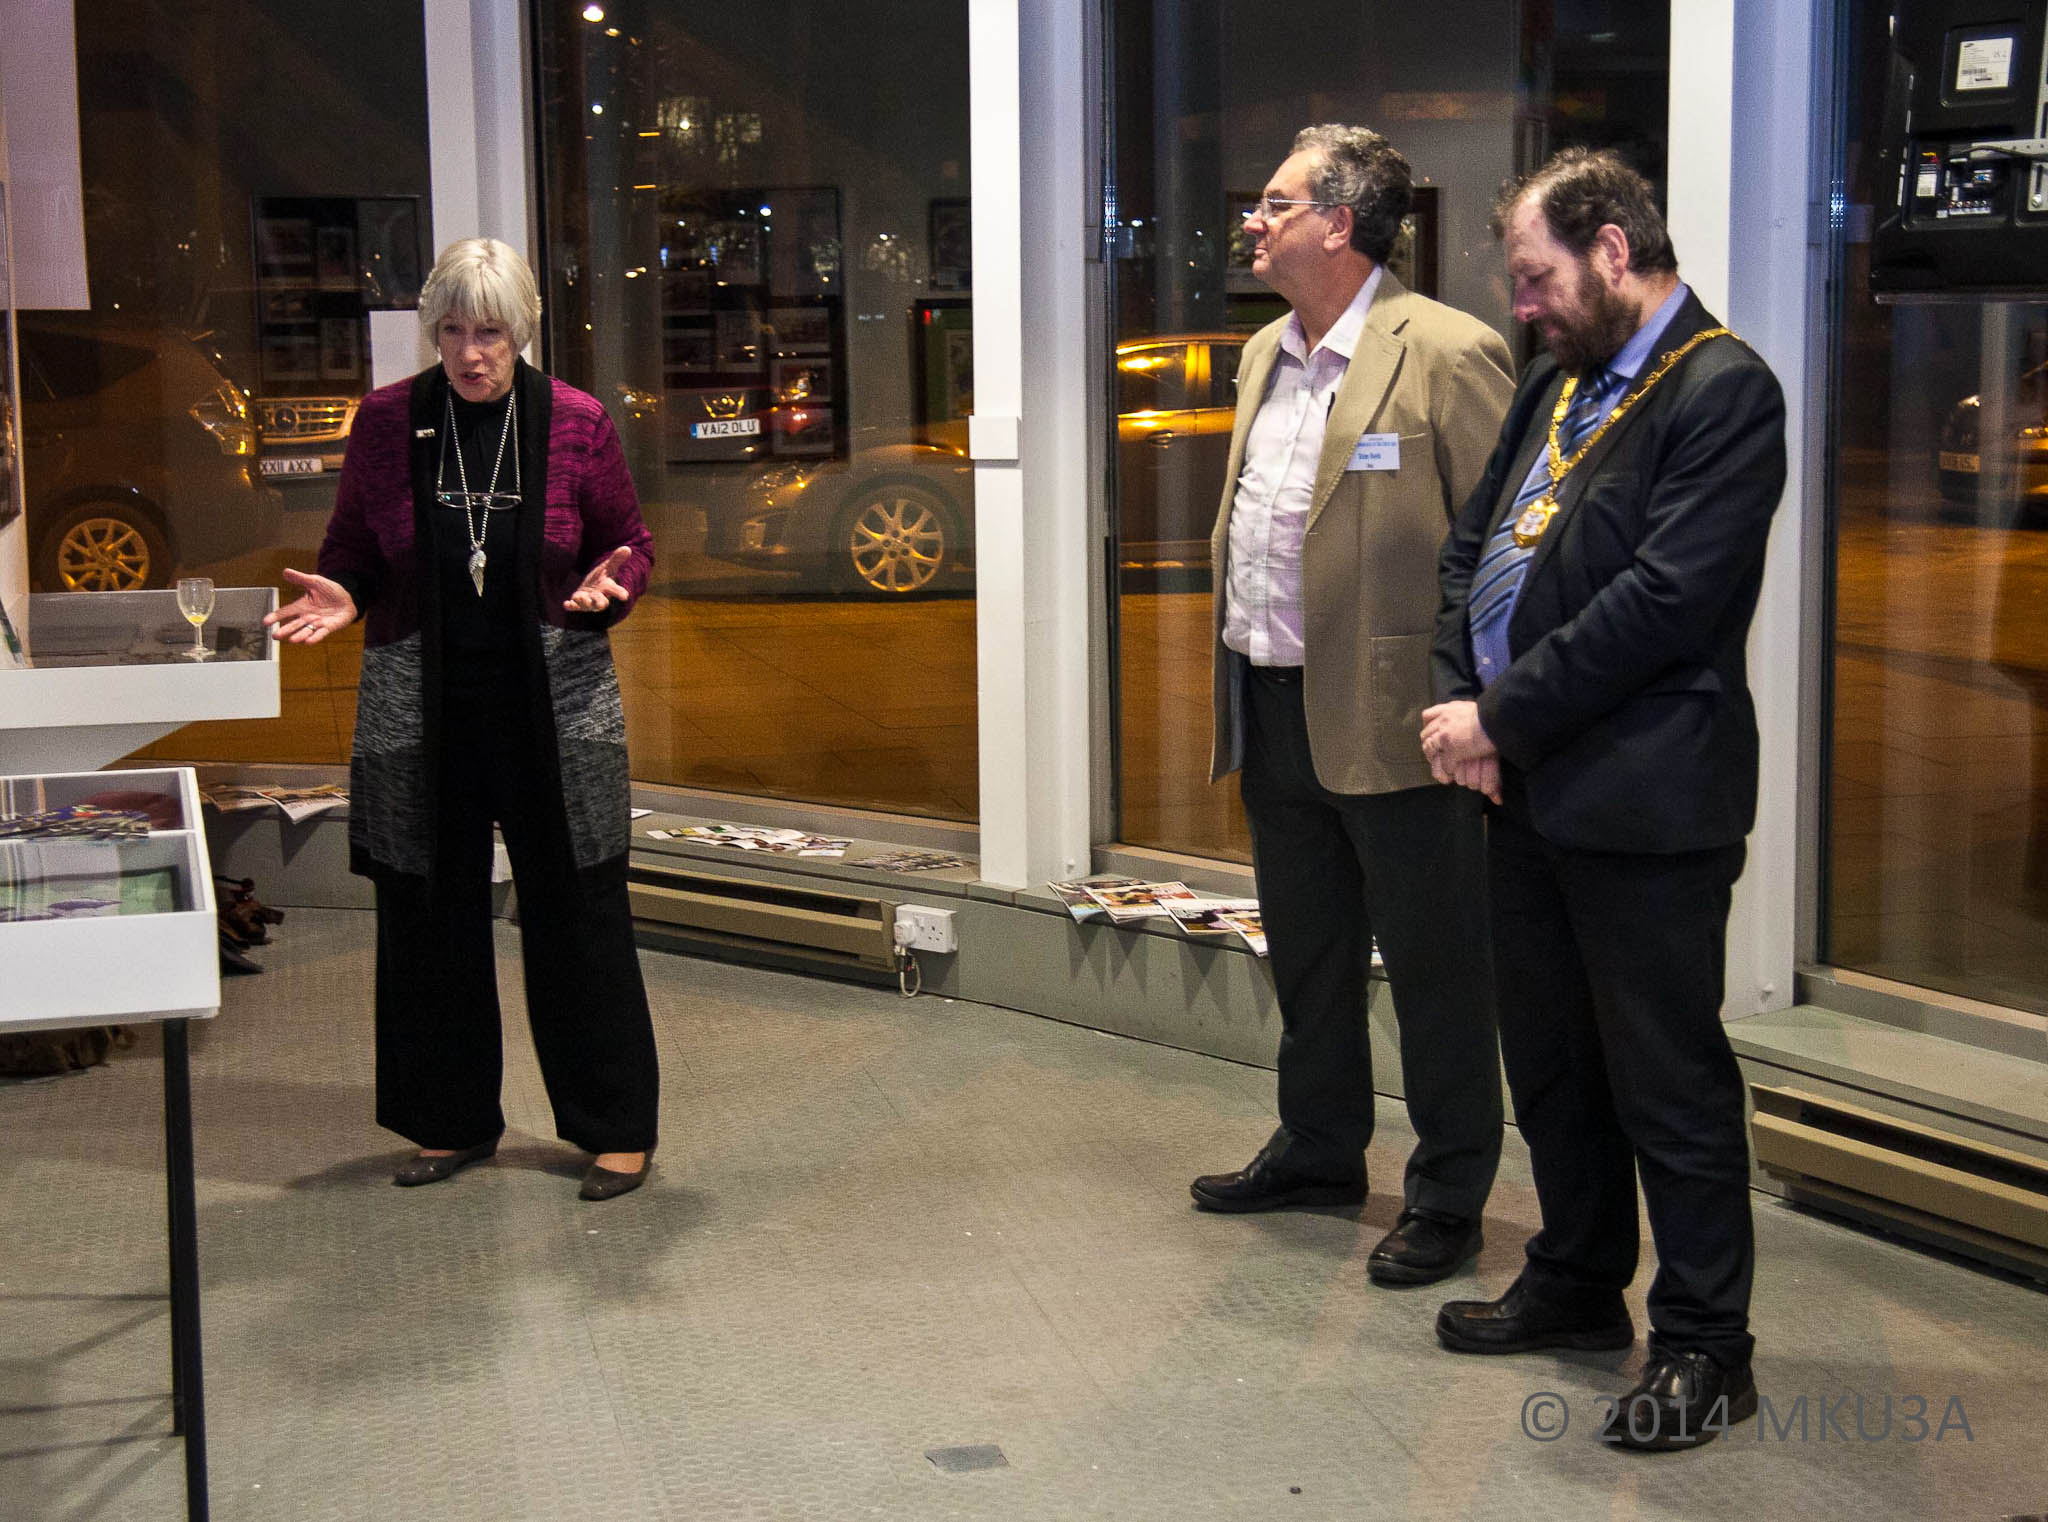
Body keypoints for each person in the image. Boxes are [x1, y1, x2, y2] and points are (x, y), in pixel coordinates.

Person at [1423, 149, 1787, 1449]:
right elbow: (1476, 546)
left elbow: (1665, 605)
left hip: (1647, 807)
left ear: (1615, 250)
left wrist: (1497, 712)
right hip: (1521, 793)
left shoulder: (1726, 392)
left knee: (1665, 1081)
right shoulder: (1553, 383)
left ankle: (1706, 1343)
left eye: (1536, 277)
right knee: (1557, 1066)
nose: (1521, 304)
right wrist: (1453, 697)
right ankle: (1578, 1281)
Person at [264, 237, 660, 1202]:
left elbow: (627, 543)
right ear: (432, 332)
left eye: (488, 333)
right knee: (425, 913)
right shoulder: (388, 420)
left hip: (554, 705)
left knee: (579, 911)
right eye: (451, 332)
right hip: (423, 703)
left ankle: (615, 1129)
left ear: (519, 331)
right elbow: (354, 549)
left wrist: (619, 583)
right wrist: (348, 595)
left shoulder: (575, 422)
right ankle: (449, 1120)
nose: (470, 353)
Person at [1189, 125, 1514, 1288]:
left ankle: (1447, 1193)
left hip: (1399, 721)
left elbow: (1504, 549)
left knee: (1434, 971)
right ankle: (1321, 1149)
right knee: (1312, 957)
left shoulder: (1442, 351)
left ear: (1338, 221)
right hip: (1273, 702)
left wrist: (1477, 706)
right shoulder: (1258, 355)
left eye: (1272, 202)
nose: (1252, 219)